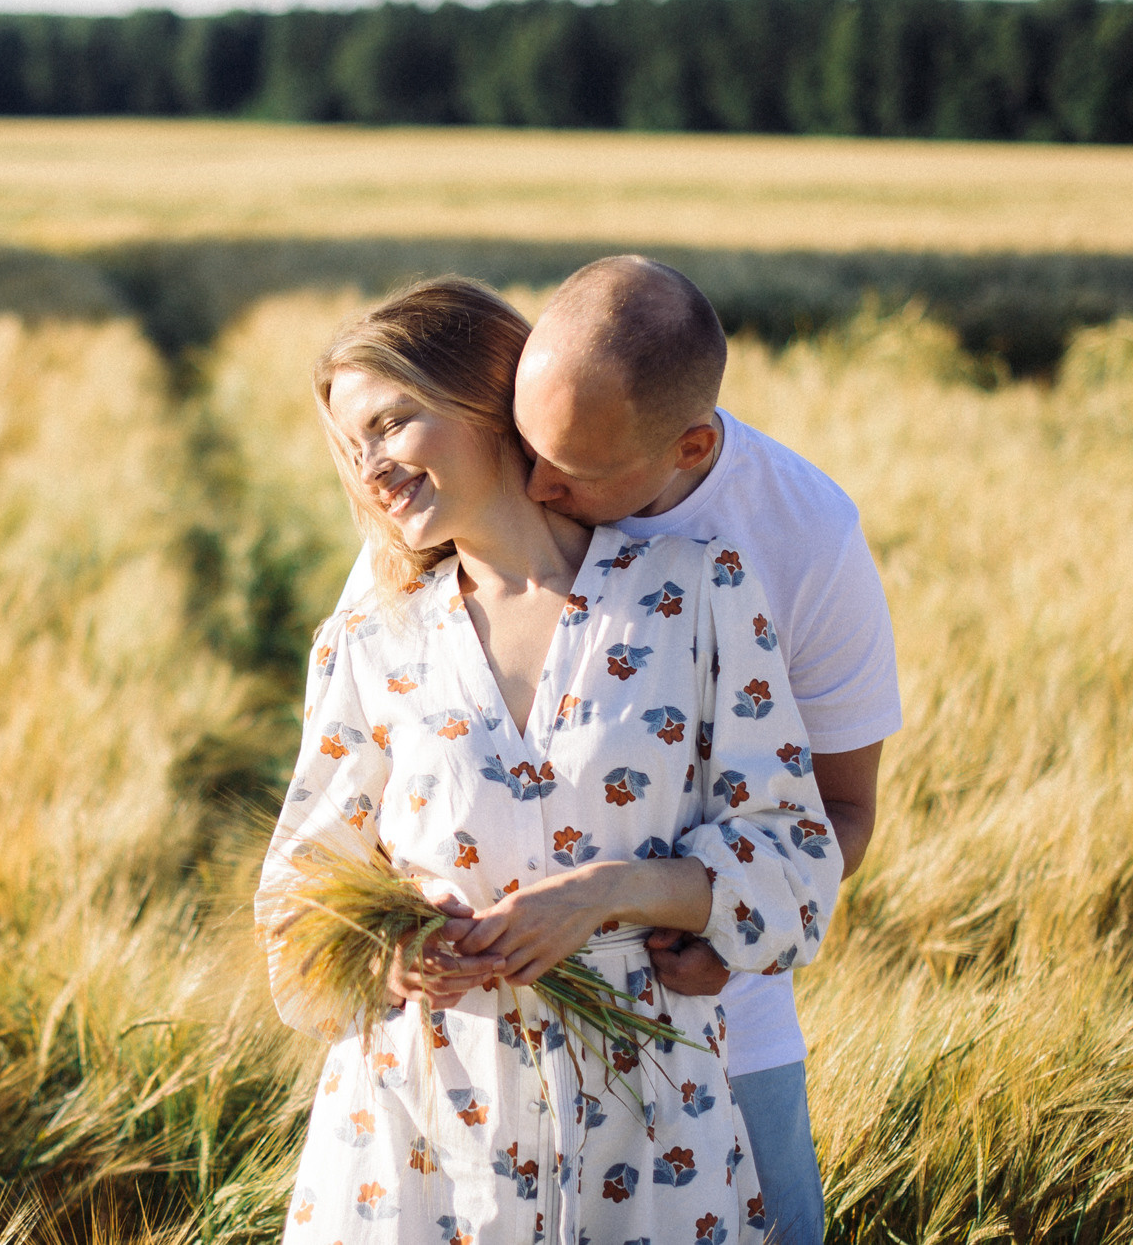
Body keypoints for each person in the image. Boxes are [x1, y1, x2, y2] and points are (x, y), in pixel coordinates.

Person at [319, 256, 902, 1245]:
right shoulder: (388, 616)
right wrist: (388, 936)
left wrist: (685, 913)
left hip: (697, 1052)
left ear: (690, 446)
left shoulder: (779, 544)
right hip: (446, 1109)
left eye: (574, 471)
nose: (540, 481)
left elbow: (826, 821)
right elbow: (320, 859)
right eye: (527, 441)